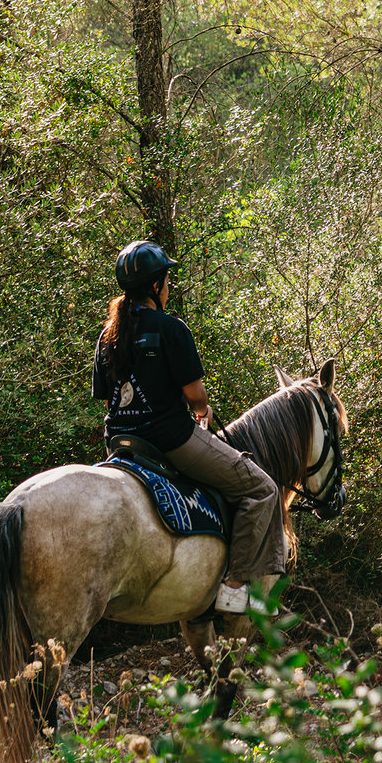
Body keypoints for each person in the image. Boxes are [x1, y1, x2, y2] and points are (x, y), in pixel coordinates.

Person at [92, 240, 284, 613]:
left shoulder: (107, 337)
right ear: (154, 287)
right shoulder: (170, 328)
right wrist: (203, 409)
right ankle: (234, 585)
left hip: (118, 444)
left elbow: (107, 399)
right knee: (262, 488)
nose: (168, 286)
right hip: (170, 439)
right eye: (165, 280)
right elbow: (195, 395)